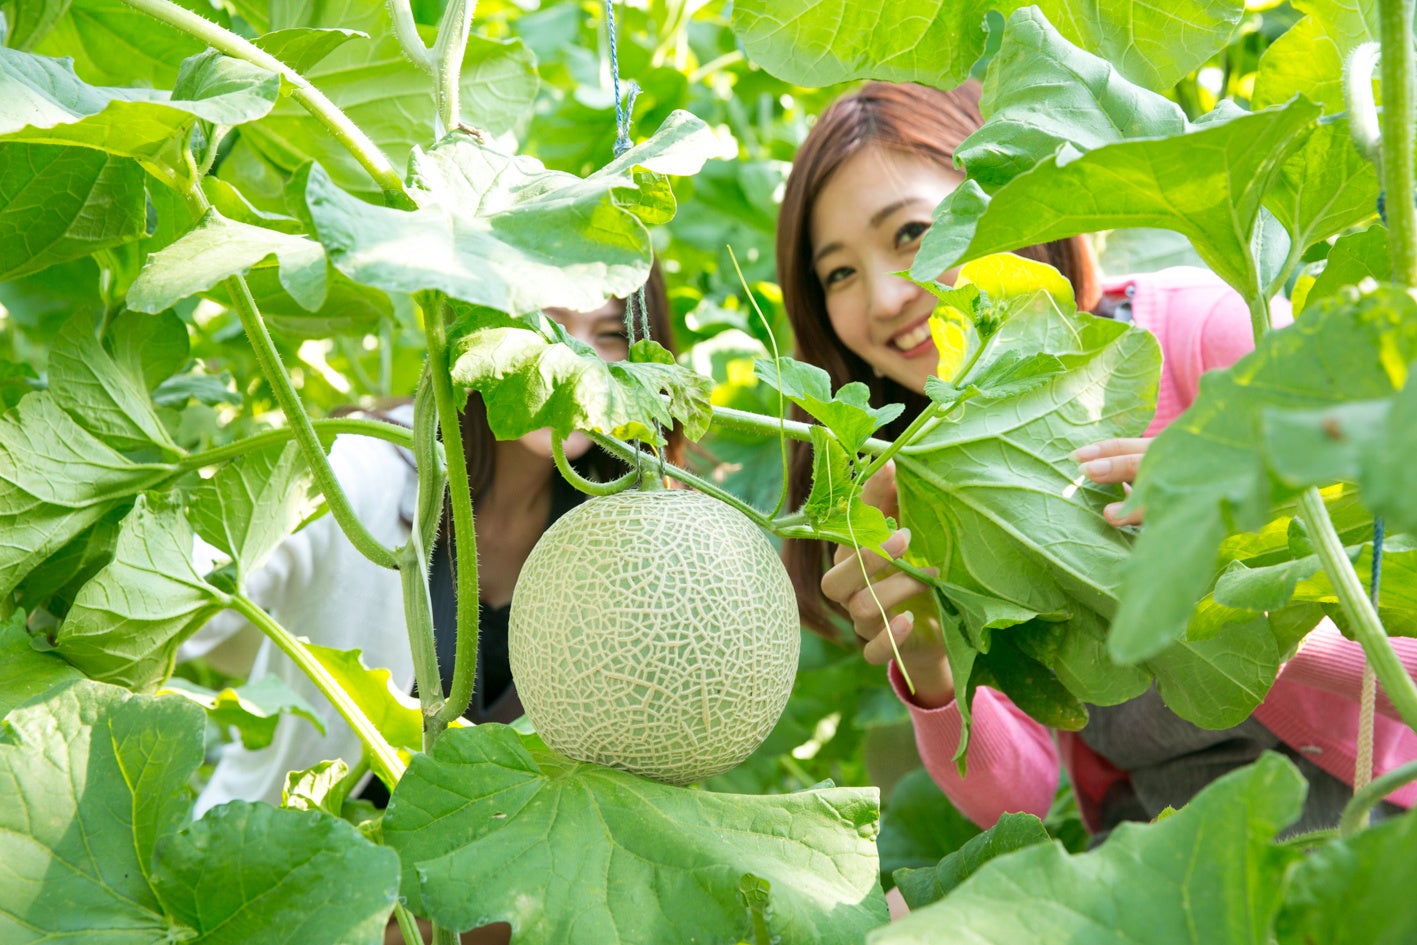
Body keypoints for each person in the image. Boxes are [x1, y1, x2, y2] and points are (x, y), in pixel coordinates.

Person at [776, 80, 1417, 838]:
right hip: (1161, 853)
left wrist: (1251, 599)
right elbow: (1015, 801)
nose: (884, 298)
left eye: (911, 232)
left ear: (1010, 205)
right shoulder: (922, 489)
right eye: (839, 273)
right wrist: (931, 664)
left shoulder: (1206, 330)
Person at [181, 269, 684, 814]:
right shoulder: (363, 467)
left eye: (609, 337)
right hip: (293, 853)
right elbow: (195, 587)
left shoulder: (630, 531)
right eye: (549, 327)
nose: (579, 362)